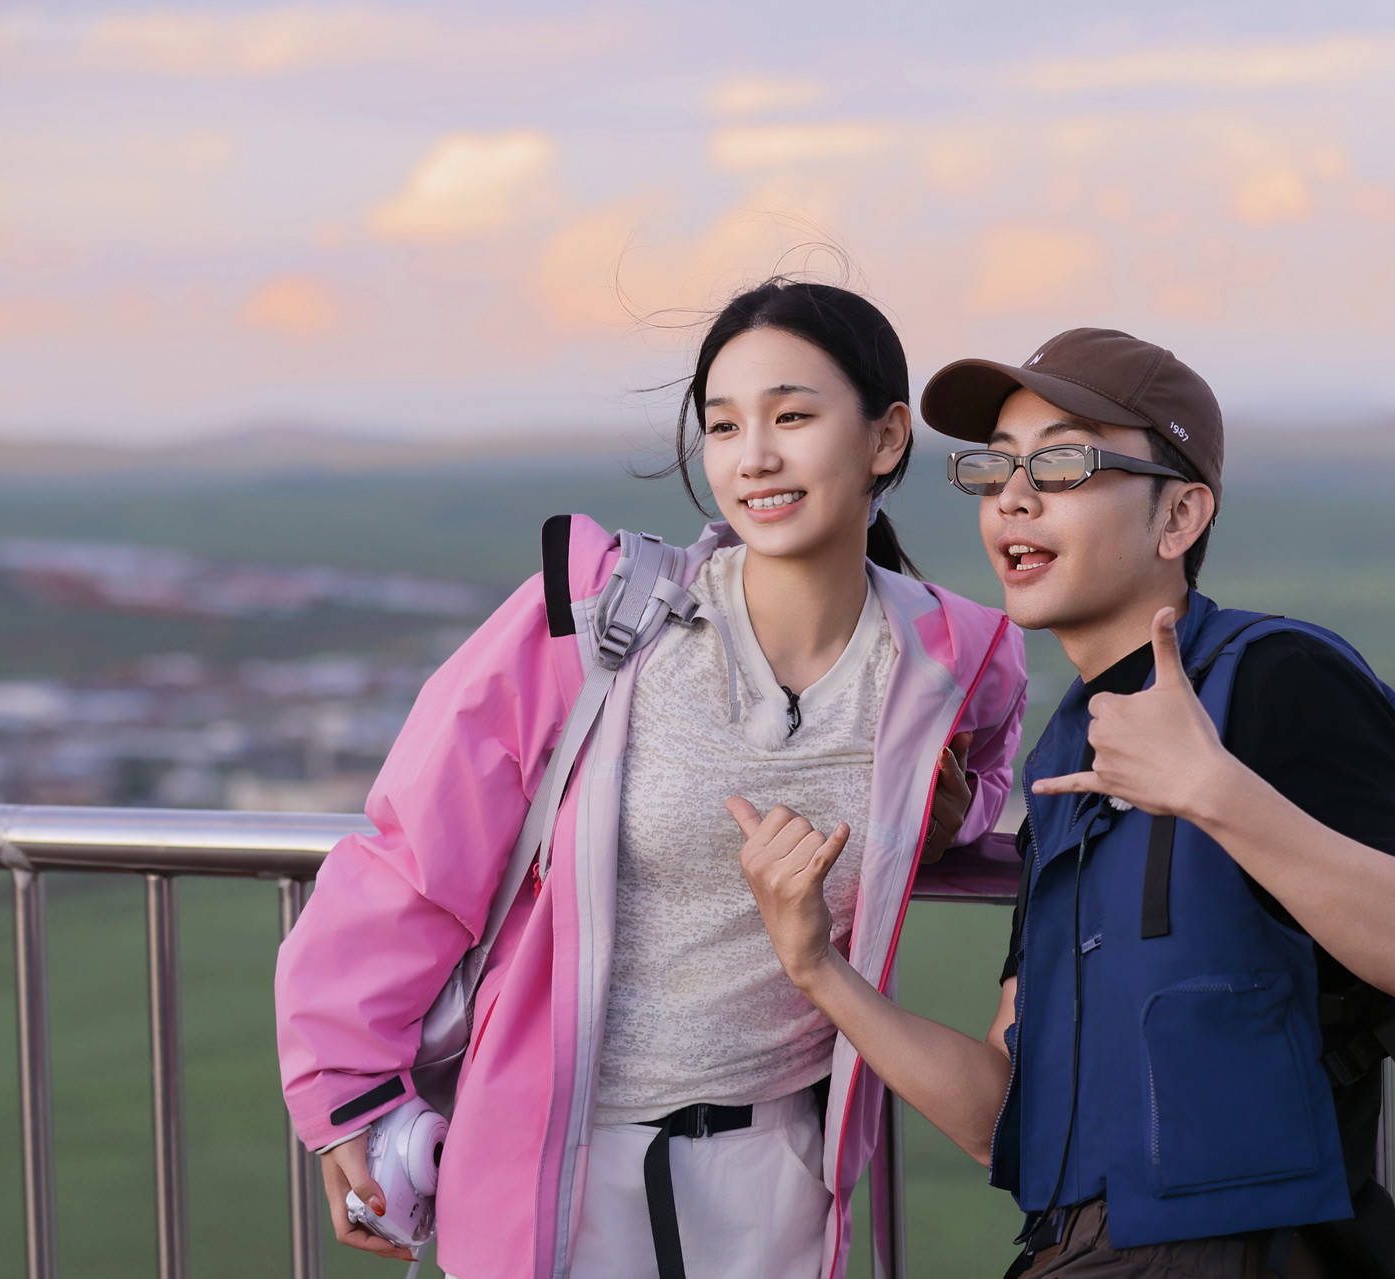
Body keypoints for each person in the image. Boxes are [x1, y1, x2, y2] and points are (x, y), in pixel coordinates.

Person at [275, 279, 1028, 1279]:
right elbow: (415, 853)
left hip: (780, 1174)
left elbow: (977, 778)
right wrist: (349, 1096)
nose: (753, 456)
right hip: (558, 1162)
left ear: (886, 437)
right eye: (723, 425)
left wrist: (942, 824)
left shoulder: (956, 660)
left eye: (792, 416)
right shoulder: (599, 620)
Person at [736, 327, 1395, 1278]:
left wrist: (1212, 789)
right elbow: (1000, 1114)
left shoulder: (1277, 679)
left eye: (1062, 463)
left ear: (1179, 518)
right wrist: (816, 967)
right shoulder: (1071, 753)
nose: (1014, 497)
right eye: (996, 467)